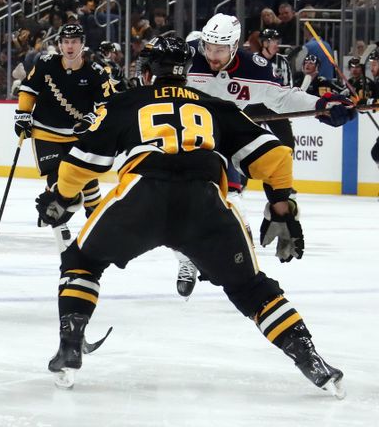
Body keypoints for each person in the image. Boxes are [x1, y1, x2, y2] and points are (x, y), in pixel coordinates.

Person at [35, 36, 345, 399]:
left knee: (81, 261)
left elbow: (81, 162)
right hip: (205, 203)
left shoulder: (126, 101)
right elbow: (276, 157)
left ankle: (70, 347)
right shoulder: (217, 106)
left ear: (148, 72)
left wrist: (61, 197)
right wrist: (283, 210)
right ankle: (312, 360)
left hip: (143, 196)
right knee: (251, 288)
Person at [176, 13, 356, 298]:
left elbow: (283, 98)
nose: (212, 55)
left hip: (226, 130)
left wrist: (323, 104)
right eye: (209, 47)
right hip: (185, 133)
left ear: (235, 46)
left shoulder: (254, 67)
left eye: (220, 49)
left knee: (277, 157)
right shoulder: (188, 55)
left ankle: (282, 212)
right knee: (182, 198)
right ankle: (188, 257)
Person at [15, 23, 117, 252]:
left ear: (82, 44)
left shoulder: (96, 72)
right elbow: (28, 89)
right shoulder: (45, 64)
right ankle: (60, 231)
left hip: (78, 136)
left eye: (75, 41)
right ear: (59, 44)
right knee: (57, 182)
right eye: (66, 42)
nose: (70, 46)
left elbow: (107, 105)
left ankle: (98, 228)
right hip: (45, 132)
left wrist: (91, 119)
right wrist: (22, 114)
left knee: (89, 186)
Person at [243, 28, 295, 151]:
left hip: (274, 105)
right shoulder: (251, 59)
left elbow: (288, 85)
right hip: (255, 105)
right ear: (265, 43)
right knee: (244, 141)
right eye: (274, 41)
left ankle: (282, 168)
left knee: (288, 144)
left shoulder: (282, 61)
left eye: (278, 41)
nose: (278, 44)